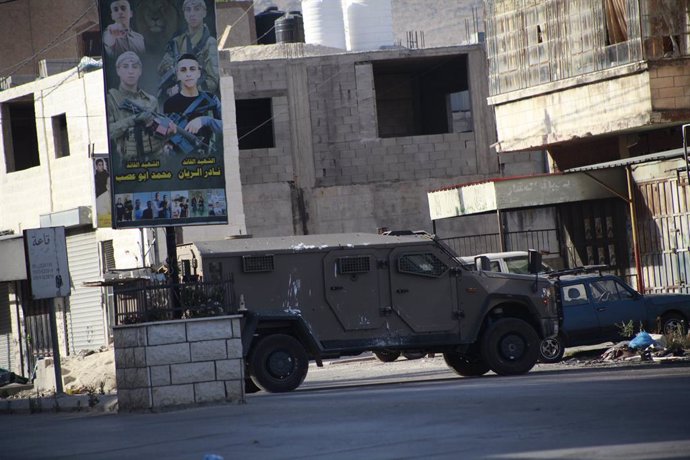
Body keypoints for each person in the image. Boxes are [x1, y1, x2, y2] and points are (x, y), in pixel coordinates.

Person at [106, 51, 173, 163]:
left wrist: (168, 131)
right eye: (125, 67)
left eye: (135, 67)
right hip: (128, 164)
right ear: (118, 70)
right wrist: (133, 120)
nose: (131, 71)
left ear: (140, 71)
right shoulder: (112, 99)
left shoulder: (151, 101)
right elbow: (109, 132)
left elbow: (159, 134)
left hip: (155, 161)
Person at [157, 0, 219, 99]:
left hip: (200, 100)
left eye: (197, 9)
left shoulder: (209, 42)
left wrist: (185, 88)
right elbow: (161, 69)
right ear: (184, 14)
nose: (192, 14)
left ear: (204, 13)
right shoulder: (177, 42)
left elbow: (212, 82)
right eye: (188, 10)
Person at [163, 53, 221, 155]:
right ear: (178, 75)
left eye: (192, 69)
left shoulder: (211, 99)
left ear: (199, 73)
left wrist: (205, 120)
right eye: (183, 70)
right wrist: (167, 143)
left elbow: (227, 127)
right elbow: (162, 134)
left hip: (212, 160)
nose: (188, 74)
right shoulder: (169, 104)